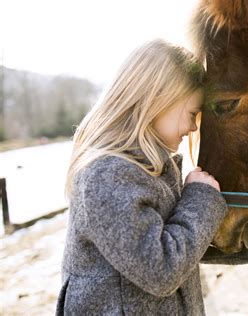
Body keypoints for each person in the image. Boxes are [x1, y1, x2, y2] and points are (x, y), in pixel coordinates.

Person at [55, 39, 228, 315]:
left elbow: (177, 240)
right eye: (192, 113)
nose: (194, 126)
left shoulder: (150, 167)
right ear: (159, 99)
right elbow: (160, 269)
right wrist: (201, 200)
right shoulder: (106, 174)